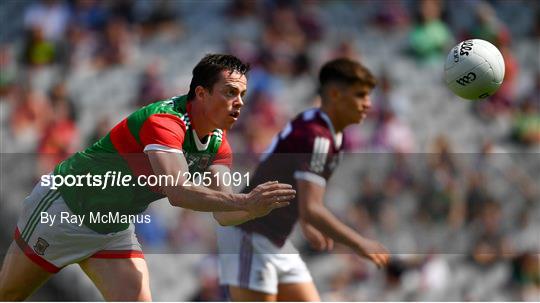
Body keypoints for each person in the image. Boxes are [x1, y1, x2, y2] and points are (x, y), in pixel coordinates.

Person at [0, 54, 295, 301]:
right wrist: (245, 200)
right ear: (202, 94)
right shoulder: (164, 122)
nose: (240, 102)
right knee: (8, 294)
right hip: (65, 209)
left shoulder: (218, 143)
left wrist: (256, 211)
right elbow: (177, 192)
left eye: (242, 94)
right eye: (230, 91)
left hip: (111, 230)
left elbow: (223, 213)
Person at [215, 58, 390, 301]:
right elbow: (311, 207)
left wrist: (307, 222)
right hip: (250, 234)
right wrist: (359, 243)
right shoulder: (318, 137)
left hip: (272, 237)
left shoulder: (316, 125)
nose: (367, 104)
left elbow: (291, 176)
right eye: (360, 95)